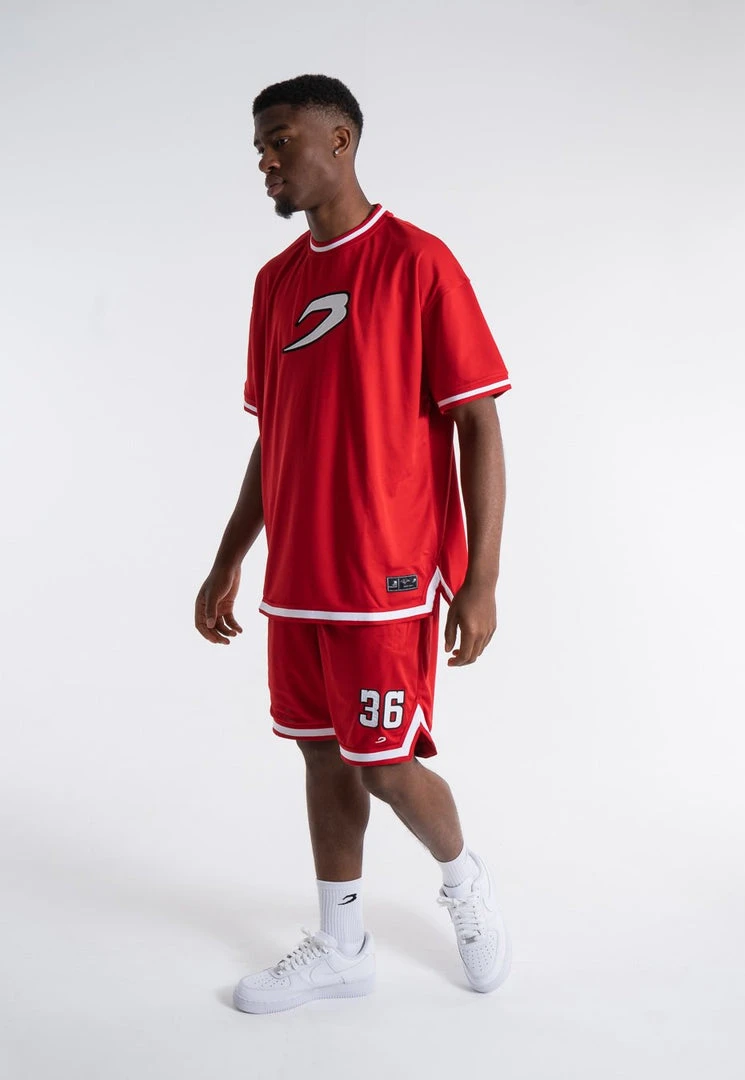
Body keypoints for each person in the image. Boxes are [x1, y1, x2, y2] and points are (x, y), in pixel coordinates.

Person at [195, 74, 512, 1015]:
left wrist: (481, 579)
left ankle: (464, 881)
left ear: (341, 140)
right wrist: (229, 557)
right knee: (321, 756)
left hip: (388, 574)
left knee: (382, 764)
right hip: (298, 576)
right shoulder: (276, 284)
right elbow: (274, 436)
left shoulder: (419, 262)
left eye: (280, 139)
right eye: (259, 145)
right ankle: (342, 947)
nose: (265, 160)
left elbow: (479, 423)